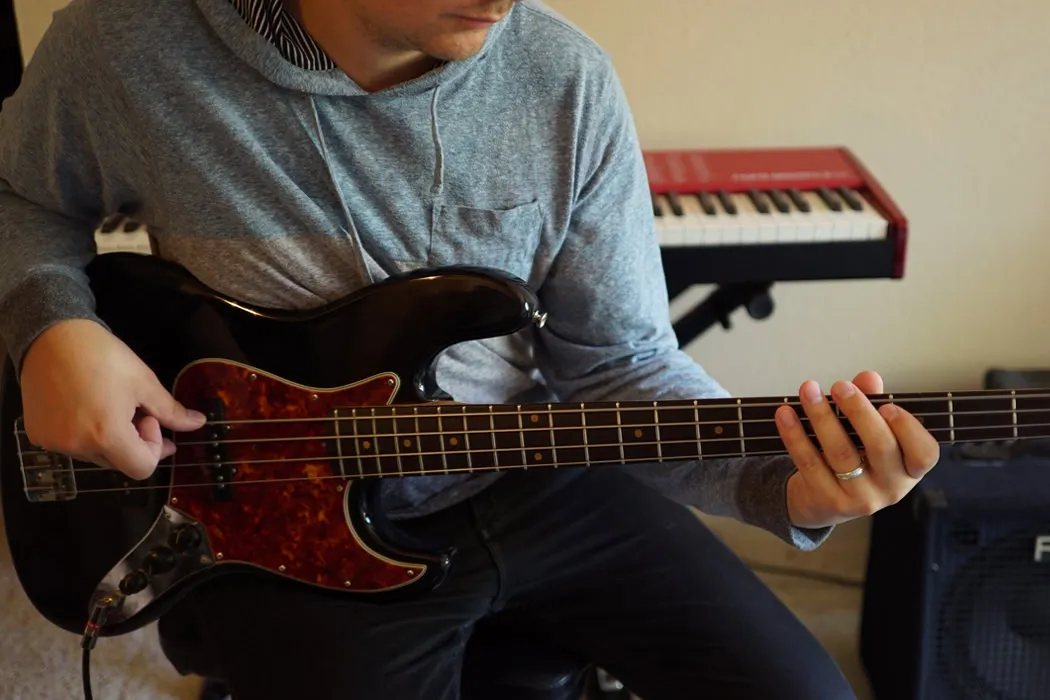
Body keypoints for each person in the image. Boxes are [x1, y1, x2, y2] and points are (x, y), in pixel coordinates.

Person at [0, 1, 940, 698]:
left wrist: (784, 480)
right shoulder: (127, 49)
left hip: (535, 477)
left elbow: (618, 365)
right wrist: (52, 326)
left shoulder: (562, 78)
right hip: (281, 520)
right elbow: (22, 197)